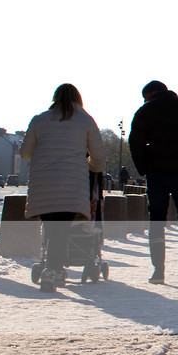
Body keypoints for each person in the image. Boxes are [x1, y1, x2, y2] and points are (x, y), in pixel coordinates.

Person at [20, 84, 106, 292]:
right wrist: (90, 167)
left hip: (43, 182)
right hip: (71, 183)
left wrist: (44, 162)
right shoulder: (85, 120)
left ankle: (53, 267)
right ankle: (52, 270)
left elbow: (25, 152)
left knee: (52, 224)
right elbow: (99, 157)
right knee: (60, 225)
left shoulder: (39, 119)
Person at [128, 81, 178, 284]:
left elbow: (135, 141)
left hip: (157, 171)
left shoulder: (145, 111)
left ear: (151, 94)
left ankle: (158, 271)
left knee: (156, 220)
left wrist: (143, 167)